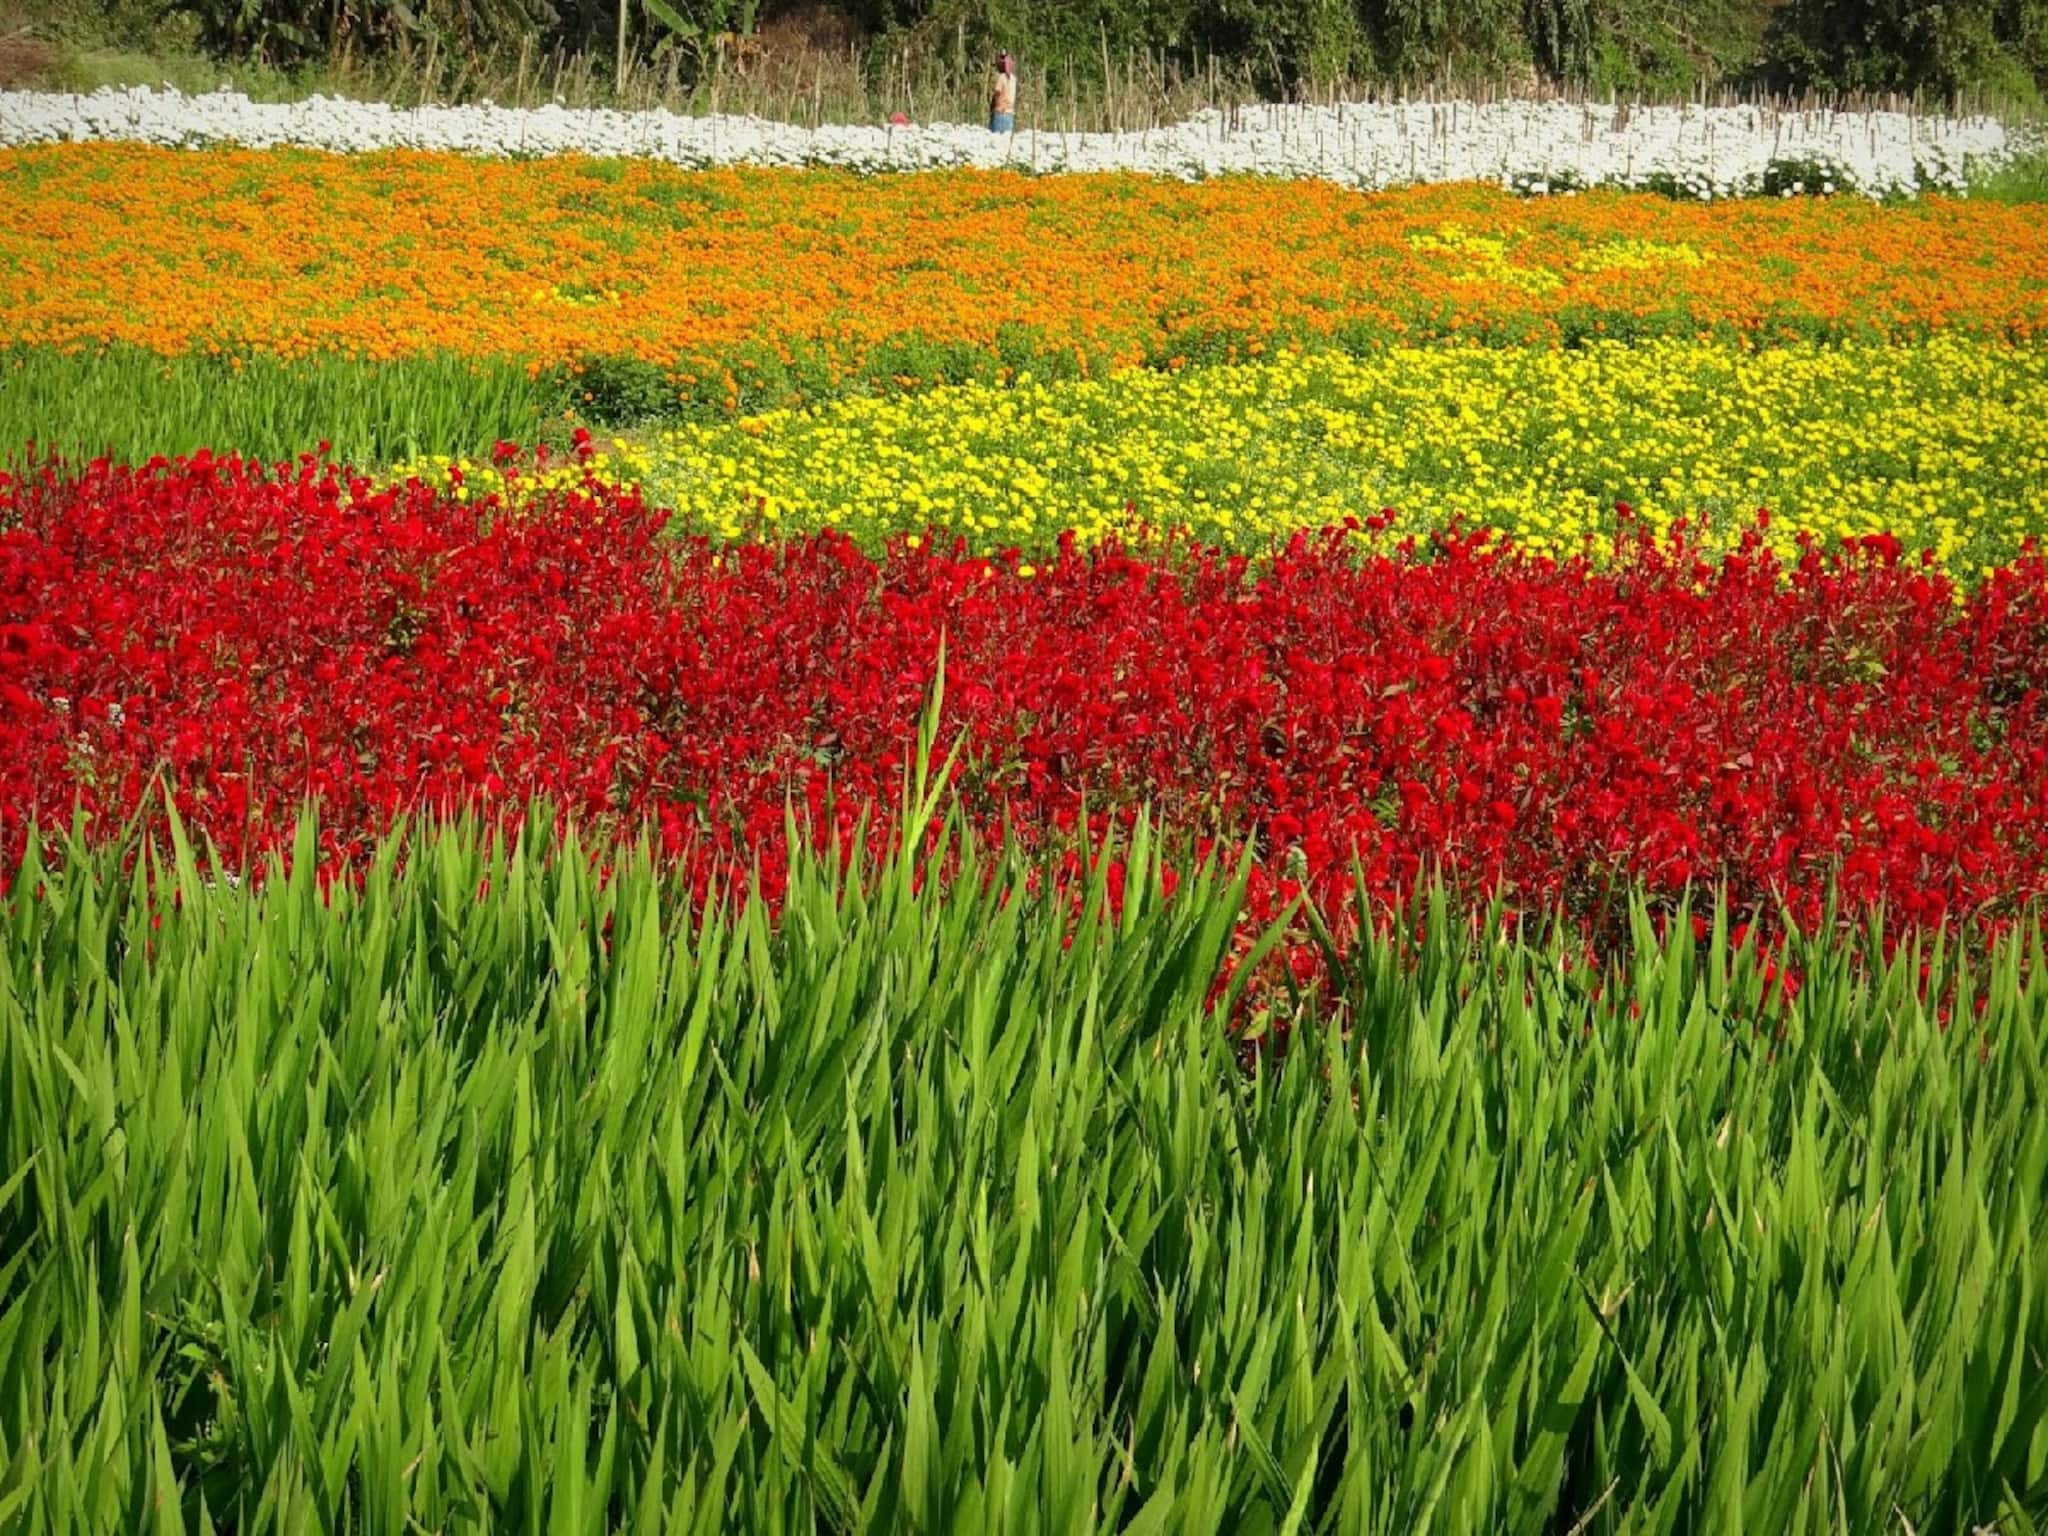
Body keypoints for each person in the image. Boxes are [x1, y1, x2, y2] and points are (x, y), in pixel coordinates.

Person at [989, 52, 1016, 133]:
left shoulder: (1001, 77)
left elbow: (997, 92)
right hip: (1010, 114)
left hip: (1000, 113)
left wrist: (992, 105)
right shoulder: (1013, 79)